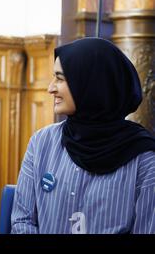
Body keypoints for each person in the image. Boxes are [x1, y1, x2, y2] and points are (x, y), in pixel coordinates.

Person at [11, 38, 155, 234]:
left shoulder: (144, 159)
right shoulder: (41, 142)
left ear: (91, 84)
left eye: (60, 78)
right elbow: (22, 222)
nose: (50, 88)